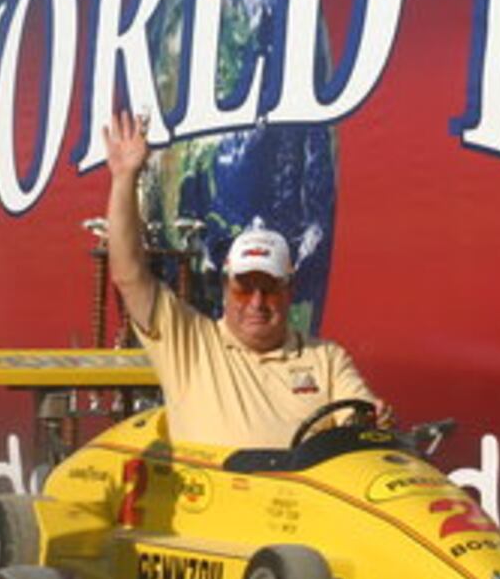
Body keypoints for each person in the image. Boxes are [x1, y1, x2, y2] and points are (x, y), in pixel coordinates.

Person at [104, 110, 389, 448]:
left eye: (268, 288)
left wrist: (374, 419)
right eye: (244, 287)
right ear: (226, 288)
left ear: (289, 291)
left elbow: (361, 420)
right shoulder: (190, 343)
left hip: (302, 499)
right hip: (216, 497)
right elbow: (128, 274)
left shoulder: (326, 359)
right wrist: (124, 178)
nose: (256, 302)